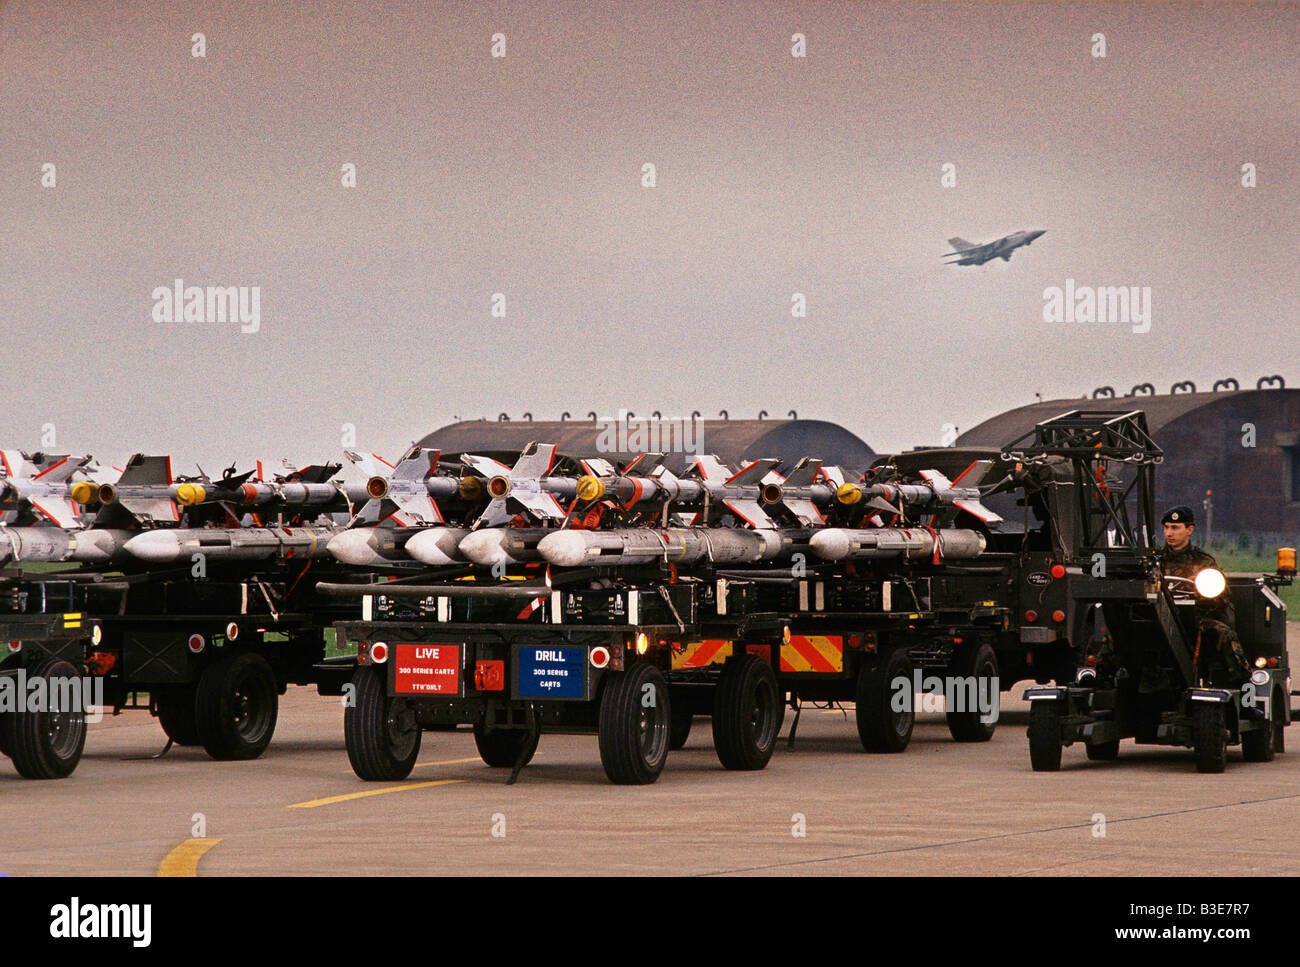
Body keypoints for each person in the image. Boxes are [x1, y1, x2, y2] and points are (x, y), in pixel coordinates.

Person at [1157, 505, 1248, 686]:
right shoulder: (1155, 561)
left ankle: (1243, 691)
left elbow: (1222, 597)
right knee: (1121, 632)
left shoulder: (1203, 562)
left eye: (1175, 528)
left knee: (1225, 635)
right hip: (1159, 620)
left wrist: (1203, 598)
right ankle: (1098, 678)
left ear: (1189, 529)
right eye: (1166, 527)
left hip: (1195, 622)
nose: (1169, 533)